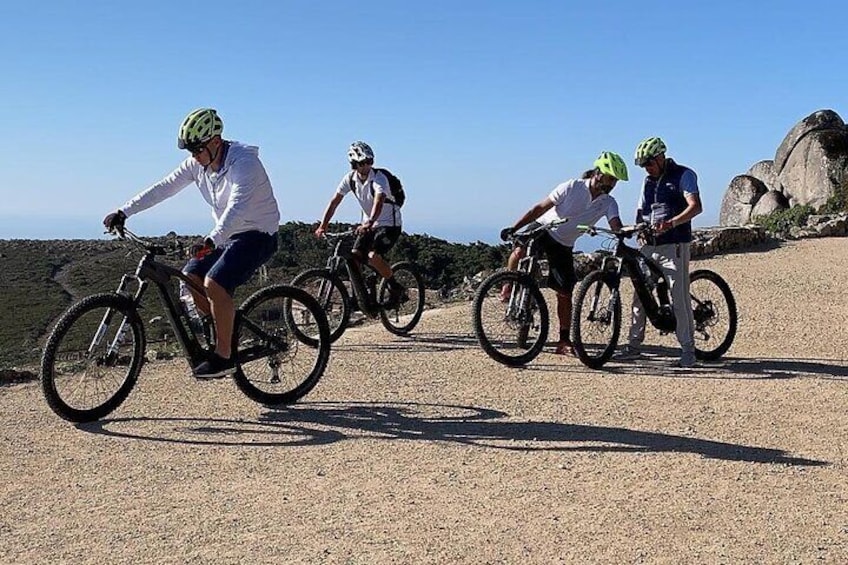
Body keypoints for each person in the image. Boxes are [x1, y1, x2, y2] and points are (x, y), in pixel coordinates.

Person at [102, 108, 281, 379]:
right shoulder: (198, 164)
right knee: (190, 275)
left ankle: (225, 356)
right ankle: (223, 330)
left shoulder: (244, 162)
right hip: (228, 234)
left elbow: (237, 208)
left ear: (215, 142)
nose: (194, 156)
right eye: (191, 151)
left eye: (198, 149)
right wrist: (124, 211)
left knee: (214, 283)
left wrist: (211, 239)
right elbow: (164, 187)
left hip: (258, 233)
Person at [499, 152, 627, 355]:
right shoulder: (572, 186)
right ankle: (508, 285)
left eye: (615, 181)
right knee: (519, 250)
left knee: (565, 293)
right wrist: (514, 228)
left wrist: (624, 231)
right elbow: (539, 208)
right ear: (598, 173)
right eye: (610, 178)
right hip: (544, 228)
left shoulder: (608, 203)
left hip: (564, 244)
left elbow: (616, 225)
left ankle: (564, 340)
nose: (612, 184)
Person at [617, 136, 703, 367]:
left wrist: (672, 223)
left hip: (674, 244)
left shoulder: (684, 175)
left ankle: (688, 351)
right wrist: (635, 230)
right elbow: (641, 210)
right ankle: (634, 346)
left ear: (660, 157)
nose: (647, 168)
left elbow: (696, 206)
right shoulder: (648, 182)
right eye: (644, 165)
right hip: (648, 244)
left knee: (679, 297)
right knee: (640, 295)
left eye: (649, 163)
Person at [314, 141, 406, 305]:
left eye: (370, 161)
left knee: (372, 255)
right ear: (354, 164)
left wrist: (369, 221)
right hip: (368, 225)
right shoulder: (349, 179)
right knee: (355, 255)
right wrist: (323, 225)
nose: (367, 165)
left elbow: (379, 201)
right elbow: (334, 202)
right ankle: (361, 294)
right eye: (363, 163)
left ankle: (395, 287)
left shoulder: (379, 178)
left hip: (389, 225)